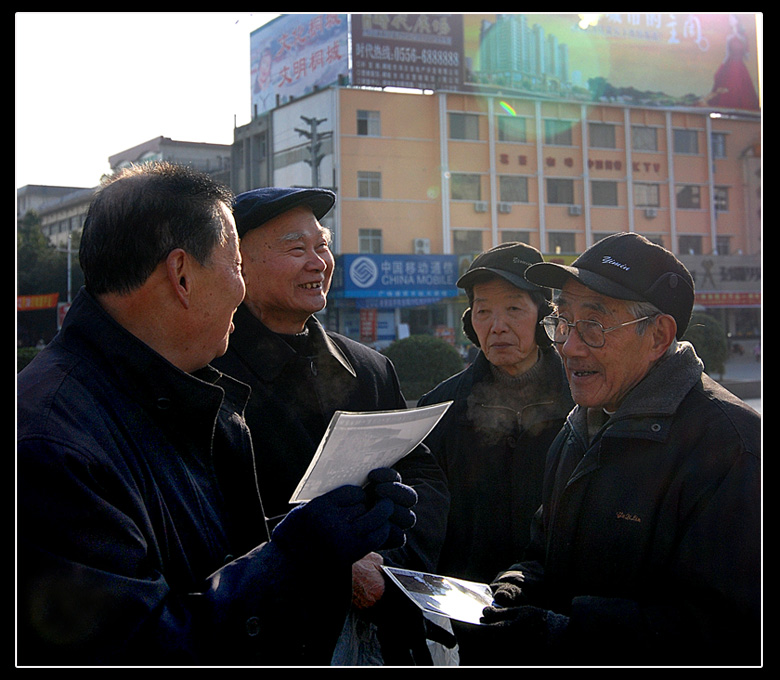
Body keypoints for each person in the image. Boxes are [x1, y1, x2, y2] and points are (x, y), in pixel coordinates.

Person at [17, 163, 417, 666]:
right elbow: (147, 646)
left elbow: (190, 554)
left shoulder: (162, 390)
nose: (240, 288)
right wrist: (298, 559)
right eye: (234, 265)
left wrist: (323, 529)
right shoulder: (52, 447)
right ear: (181, 275)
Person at [476, 233, 761, 666]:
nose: (569, 346)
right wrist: (515, 588)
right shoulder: (581, 426)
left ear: (658, 337)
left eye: (593, 325)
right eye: (563, 320)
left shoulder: (730, 445)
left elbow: (726, 630)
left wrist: (565, 634)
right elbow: (543, 552)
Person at [210, 187, 451, 665]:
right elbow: (202, 511)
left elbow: (426, 479)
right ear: (239, 263)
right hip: (267, 635)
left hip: (382, 626)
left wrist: (389, 568)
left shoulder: (369, 368)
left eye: (322, 246)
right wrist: (326, 561)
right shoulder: (210, 374)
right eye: (296, 249)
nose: (318, 262)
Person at [416, 242, 572, 665]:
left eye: (514, 309)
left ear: (543, 317)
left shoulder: (583, 403)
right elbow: (425, 514)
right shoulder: (443, 407)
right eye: (483, 311)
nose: (497, 325)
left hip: (562, 616)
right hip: (474, 614)